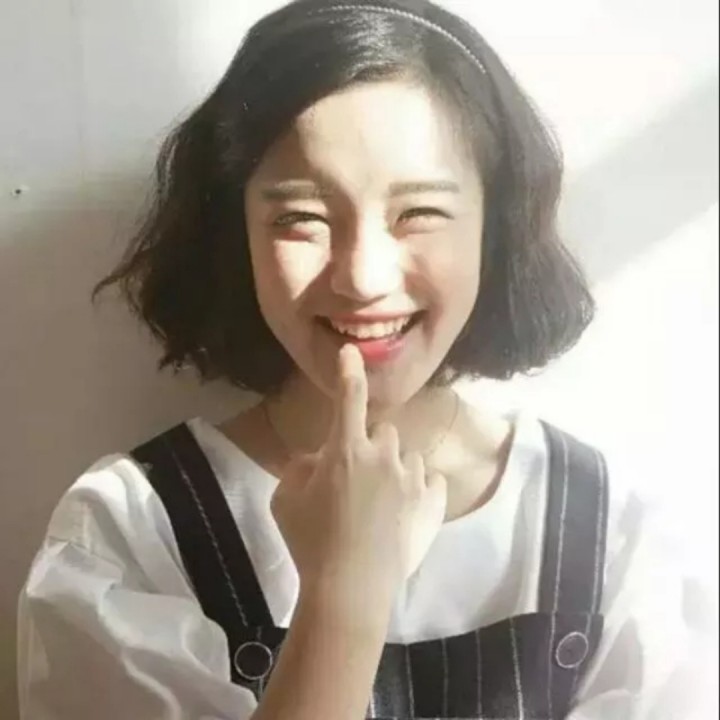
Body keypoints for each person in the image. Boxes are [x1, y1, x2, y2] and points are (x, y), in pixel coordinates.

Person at [17, 1, 714, 718]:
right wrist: (343, 595)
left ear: (494, 226)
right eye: (302, 219)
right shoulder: (130, 532)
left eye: (419, 213)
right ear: (235, 234)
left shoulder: (615, 535)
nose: (363, 278)